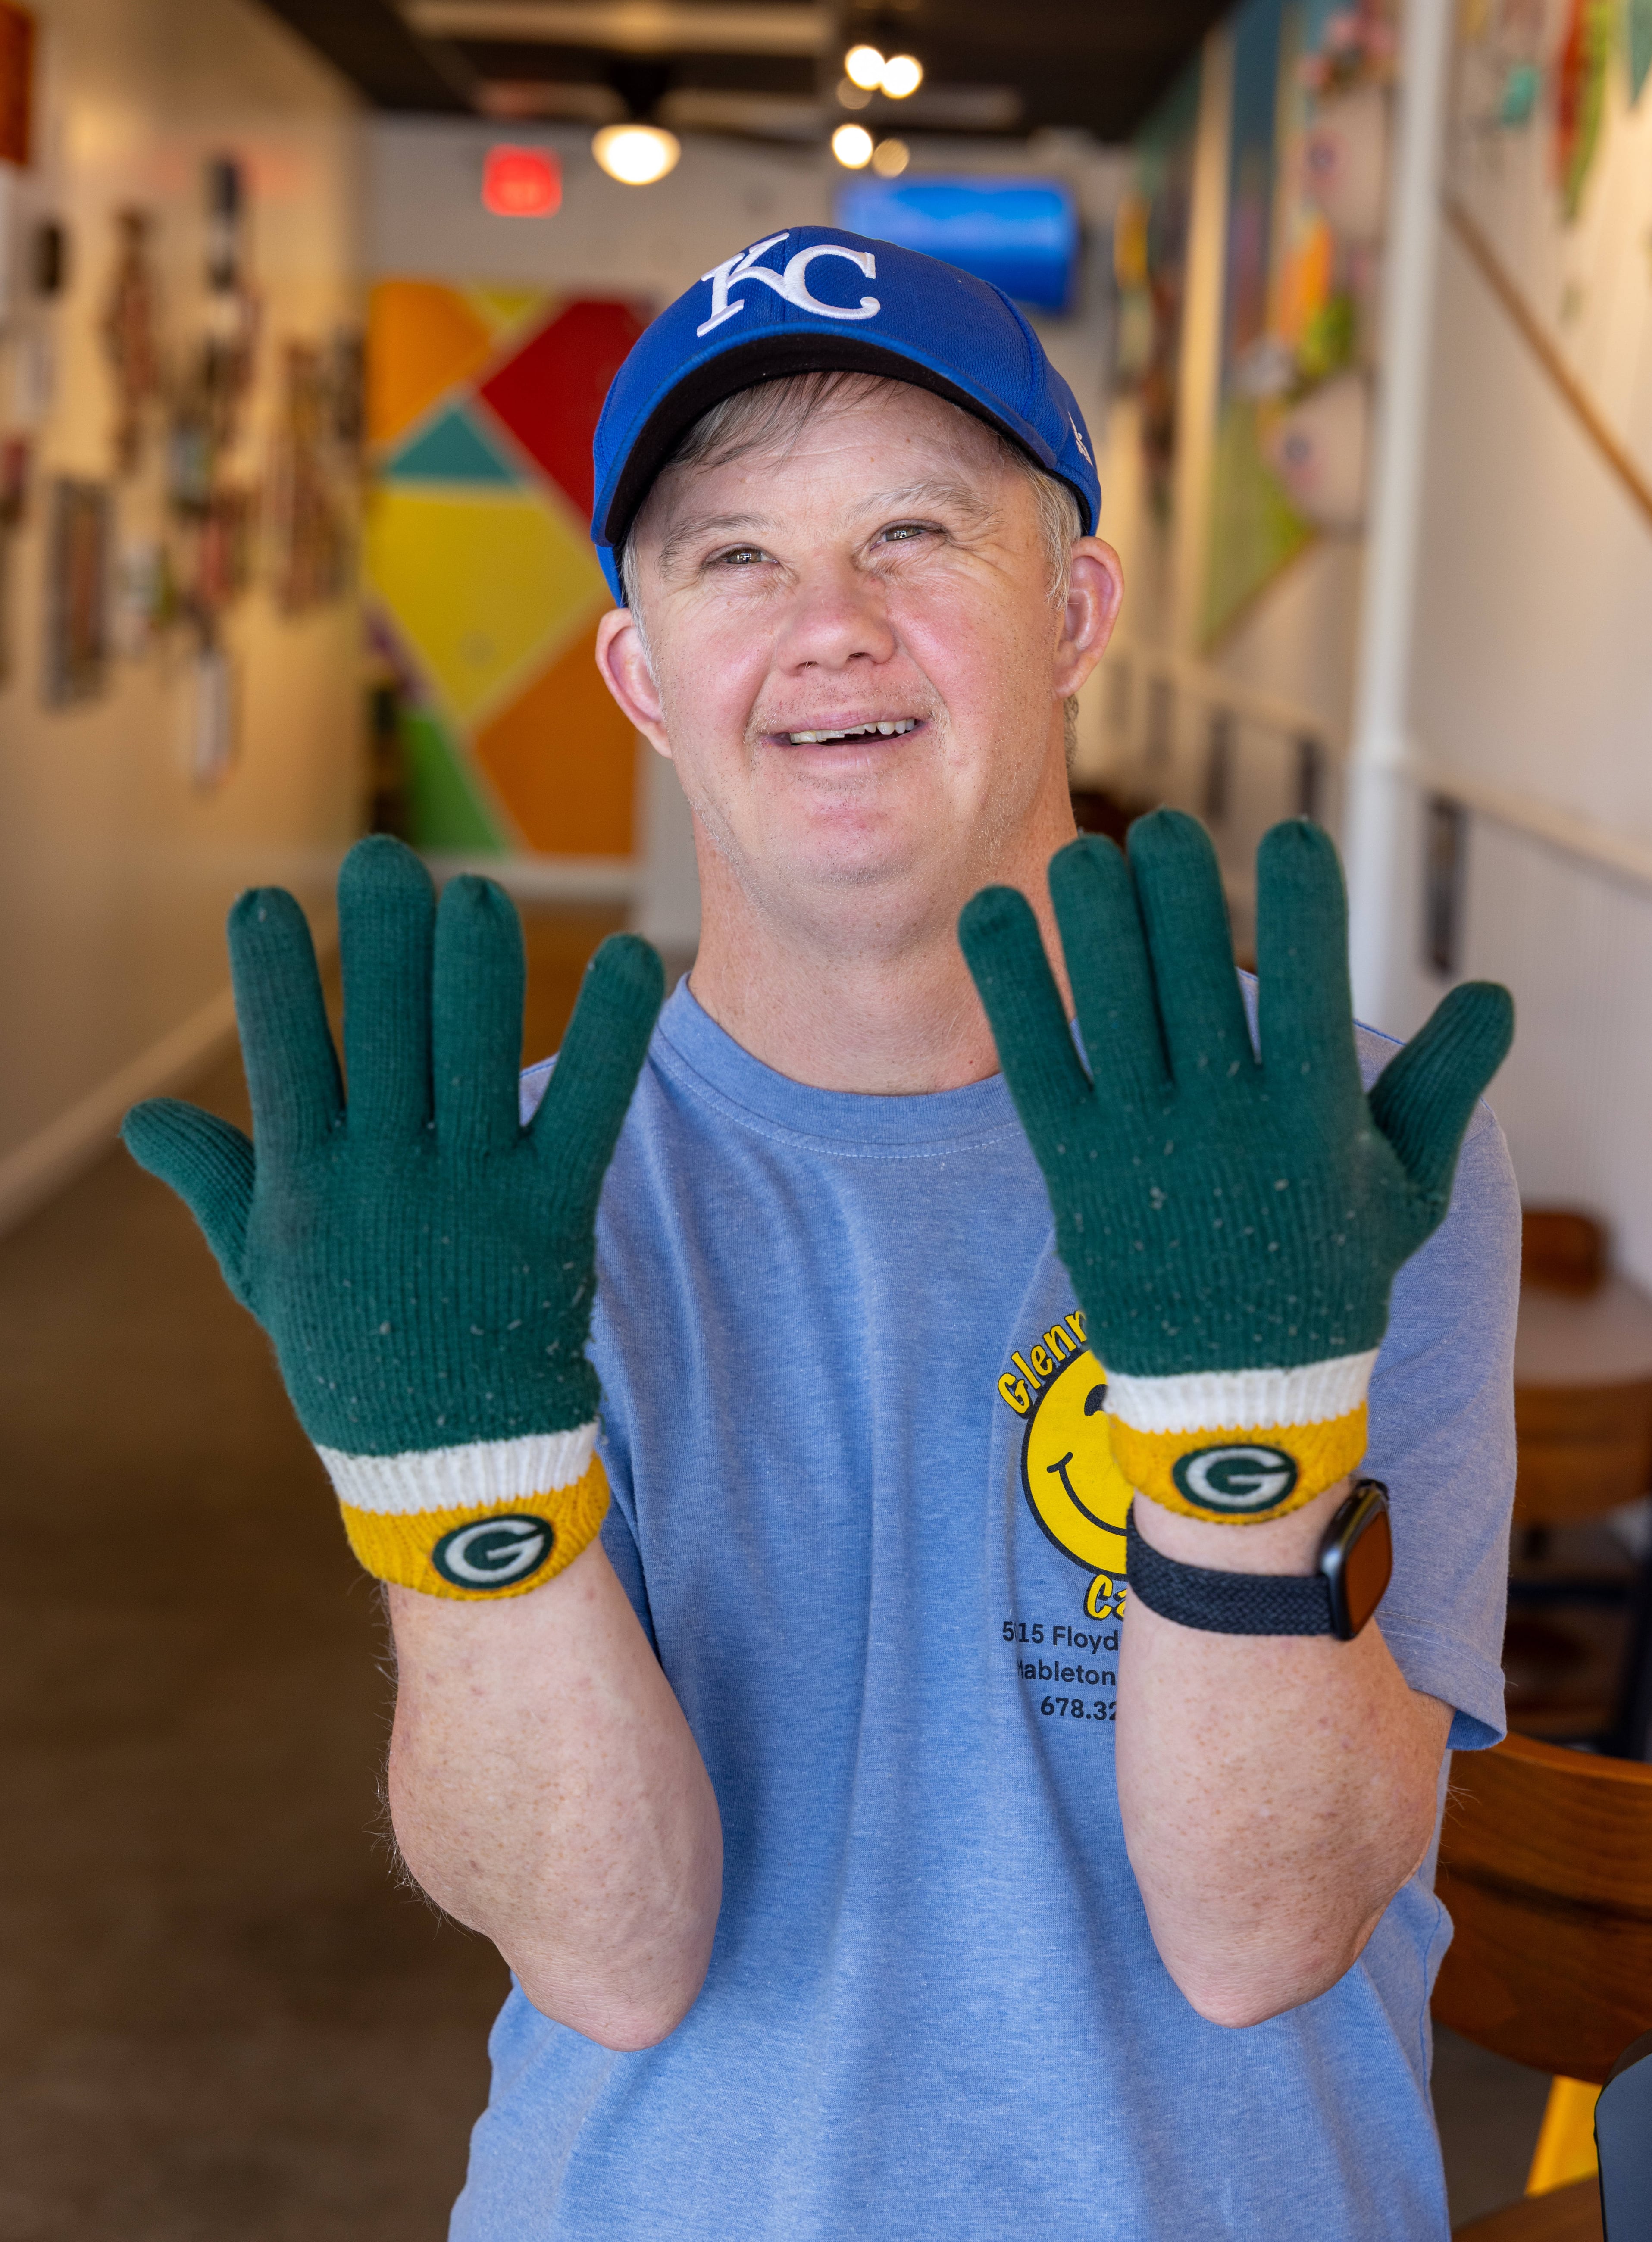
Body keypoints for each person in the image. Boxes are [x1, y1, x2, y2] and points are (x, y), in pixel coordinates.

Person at [125, 228, 1518, 2239]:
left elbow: (1265, 1930)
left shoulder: (1338, 1155)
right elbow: (612, 1953)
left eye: (918, 535)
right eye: (735, 557)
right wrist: (457, 1474)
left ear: (1075, 608)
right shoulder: (482, 1214)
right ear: (642, 670)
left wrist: (1246, 1403)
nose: (830, 626)